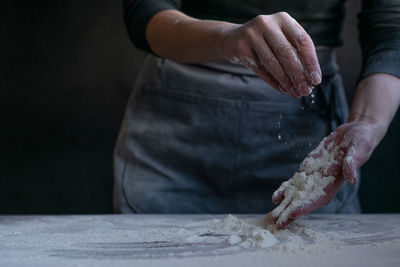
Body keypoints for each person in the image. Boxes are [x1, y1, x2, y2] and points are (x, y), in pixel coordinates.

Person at [114, 0, 400, 228]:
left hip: (307, 127)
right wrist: (226, 38)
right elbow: (144, 11)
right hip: (178, 128)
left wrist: (368, 122)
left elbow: (391, 31)